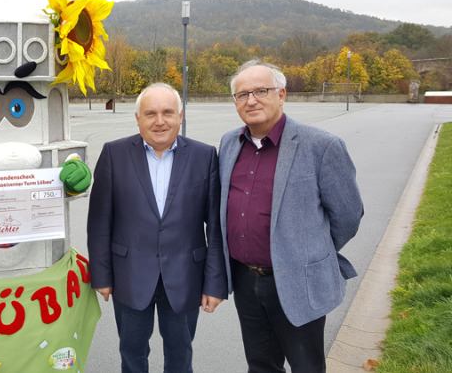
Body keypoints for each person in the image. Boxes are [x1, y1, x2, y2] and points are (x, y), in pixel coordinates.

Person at [218, 59, 364, 373]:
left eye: (261, 91)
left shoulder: (321, 146)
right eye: (242, 94)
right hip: (246, 281)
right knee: (260, 365)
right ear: (235, 102)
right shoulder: (229, 144)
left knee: (306, 366)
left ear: (281, 94)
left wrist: (307, 250)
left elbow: (348, 216)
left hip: (299, 280)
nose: (251, 100)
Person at [87, 82, 228, 373]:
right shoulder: (114, 154)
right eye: (150, 114)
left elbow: (215, 227)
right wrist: (102, 275)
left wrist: (215, 283)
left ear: (180, 115)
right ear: (138, 118)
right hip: (130, 276)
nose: (160, 121)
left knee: (181, 354)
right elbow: (99, 222)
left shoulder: (205, 156)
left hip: (185, 278)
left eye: (167, 112)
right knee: (132, 352)